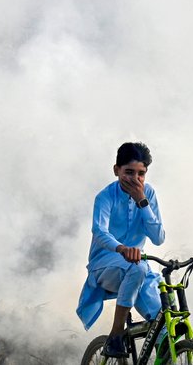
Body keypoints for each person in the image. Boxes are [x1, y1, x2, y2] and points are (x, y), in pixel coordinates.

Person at [76, 142, 165, 358]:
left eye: (141, 173)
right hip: (104, 266)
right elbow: (99, 231)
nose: (136, 179)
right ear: (116, 170)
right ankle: (115, 335)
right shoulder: (105, 196)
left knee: (163, 321)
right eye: (129, 172)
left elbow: (158, 238)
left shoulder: (148, 194)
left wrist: (142, 202)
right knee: (137, 268)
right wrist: (122, 248)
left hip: (138, 268)